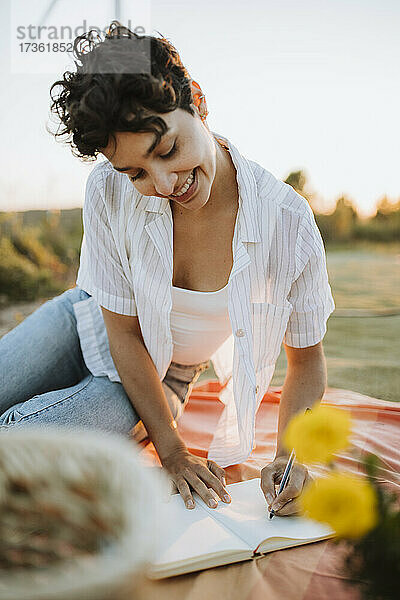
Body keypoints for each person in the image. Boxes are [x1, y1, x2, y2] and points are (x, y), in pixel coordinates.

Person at [0, 21, 335, 516]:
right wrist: (174, 453)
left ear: (196, 101)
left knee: (16, 449)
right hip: (83, 321)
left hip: (161, 378)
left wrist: (289, 457)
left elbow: (306, 362)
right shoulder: (106, 189)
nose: (161, 182)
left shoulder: (285, 221)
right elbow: (124, 333)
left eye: (167, 150)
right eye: (135, 172)